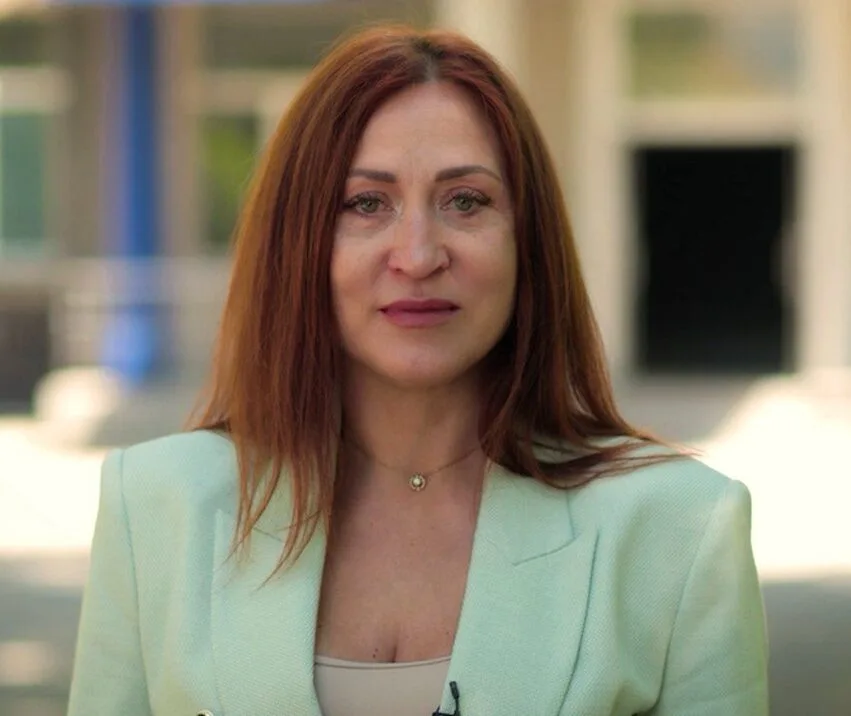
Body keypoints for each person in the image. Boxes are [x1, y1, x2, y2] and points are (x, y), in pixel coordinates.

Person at [67, 24, 768, 716]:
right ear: (298, 242)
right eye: (365, 203)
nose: (418, 255)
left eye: (466, 201)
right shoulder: (153, 505)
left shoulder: (679, 527)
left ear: (528, 241)